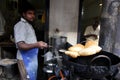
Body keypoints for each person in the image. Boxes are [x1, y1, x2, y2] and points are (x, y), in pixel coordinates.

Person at [14, 4, 48, 80]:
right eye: (29, 13)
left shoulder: (28, 25)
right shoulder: (20, 25)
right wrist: (37, 44)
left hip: (30, 57)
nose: (32, 16)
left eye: (33, 14)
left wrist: (38, 44)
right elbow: (20, 45)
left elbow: (29, 41)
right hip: (25, 59)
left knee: (31, 78)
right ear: (23, 14)